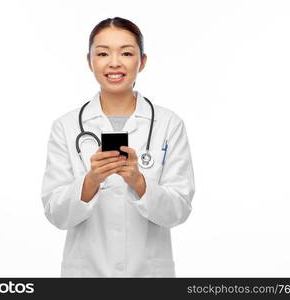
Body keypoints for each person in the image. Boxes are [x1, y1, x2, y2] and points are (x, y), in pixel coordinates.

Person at [40, 17, 195, 277]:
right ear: (89, 61)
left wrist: (139, 182)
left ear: (142, 61)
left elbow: (179, 210)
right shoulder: (65, 127)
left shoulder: (169, 125)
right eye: (102, 53)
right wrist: (91, 181)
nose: (114, 62)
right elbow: (56, 213)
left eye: (126, 52)